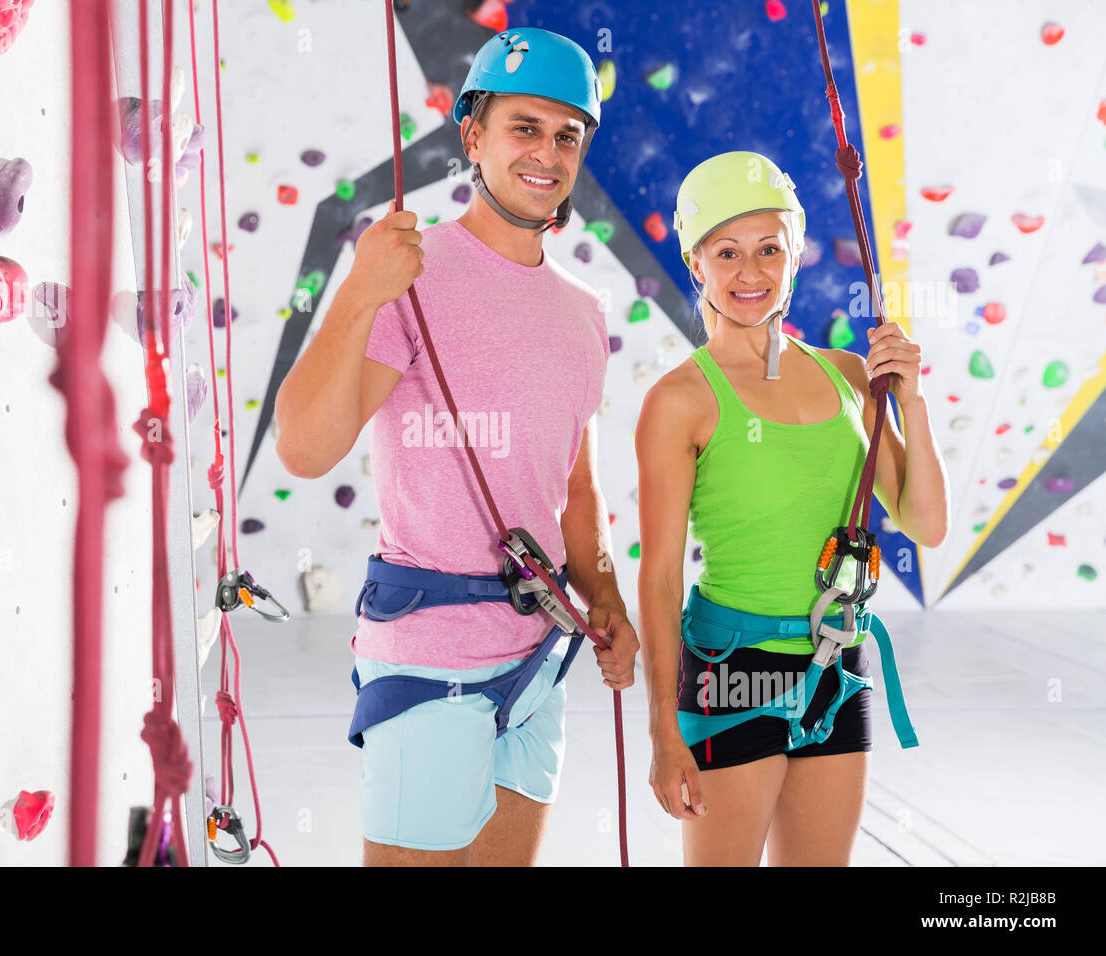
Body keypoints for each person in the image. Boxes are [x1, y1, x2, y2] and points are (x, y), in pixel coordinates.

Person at [274, 27, 638, 867]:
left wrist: (606, 596)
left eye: (566, 134)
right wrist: (360, 294)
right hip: (428, 649)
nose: (547, 152)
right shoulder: (411, 271)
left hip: (539, 656)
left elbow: (575, 491)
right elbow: (302, 447)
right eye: (524, 127)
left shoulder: (583, 310)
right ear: (473, 136)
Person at [635, 150, 949, 865]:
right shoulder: (680, 400)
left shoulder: (845, 376)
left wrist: (911, 403)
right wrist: (662, 732)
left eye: (770, 248)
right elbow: (657, 578)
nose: (751, 273)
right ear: (696, 264)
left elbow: (926, 523)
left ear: (795, 254)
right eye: (728, 252)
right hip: (732, 668)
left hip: (837, 668)